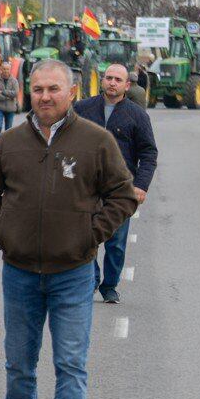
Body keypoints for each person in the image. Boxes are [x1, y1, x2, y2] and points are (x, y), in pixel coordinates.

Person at [0, 59, 137, 399]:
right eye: (38, 89)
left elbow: (123, 195)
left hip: (73, 273)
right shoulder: (10, 142)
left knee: (70, 366)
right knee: (19, 365)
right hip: (21, 273)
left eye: (53, 89)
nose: (45, 96)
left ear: (72, 92)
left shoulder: (96, 141)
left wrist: (90, 235)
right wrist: (5, 230)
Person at [73, 63, 158, 304]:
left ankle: (109, 285)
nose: (112, 83)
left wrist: (140, 186)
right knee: (86, 238)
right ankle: (92, 280)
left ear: (127, 85)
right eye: (108, 78)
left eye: (117, 80)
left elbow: (149, 153)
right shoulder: (82, 109)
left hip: (120, 190)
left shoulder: (137, 115)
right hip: (86, 187)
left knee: (116, 243)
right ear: (102, 80)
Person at [0, 59, 21, 135]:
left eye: (7, 69)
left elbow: (15, 93)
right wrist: (7, 97)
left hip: (10, 108)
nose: (6, 71)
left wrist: (3, 92)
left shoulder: (14, 81)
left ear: (10, 70)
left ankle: (7, 145)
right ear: (1, 69)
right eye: (4, 69)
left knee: (9, 130)